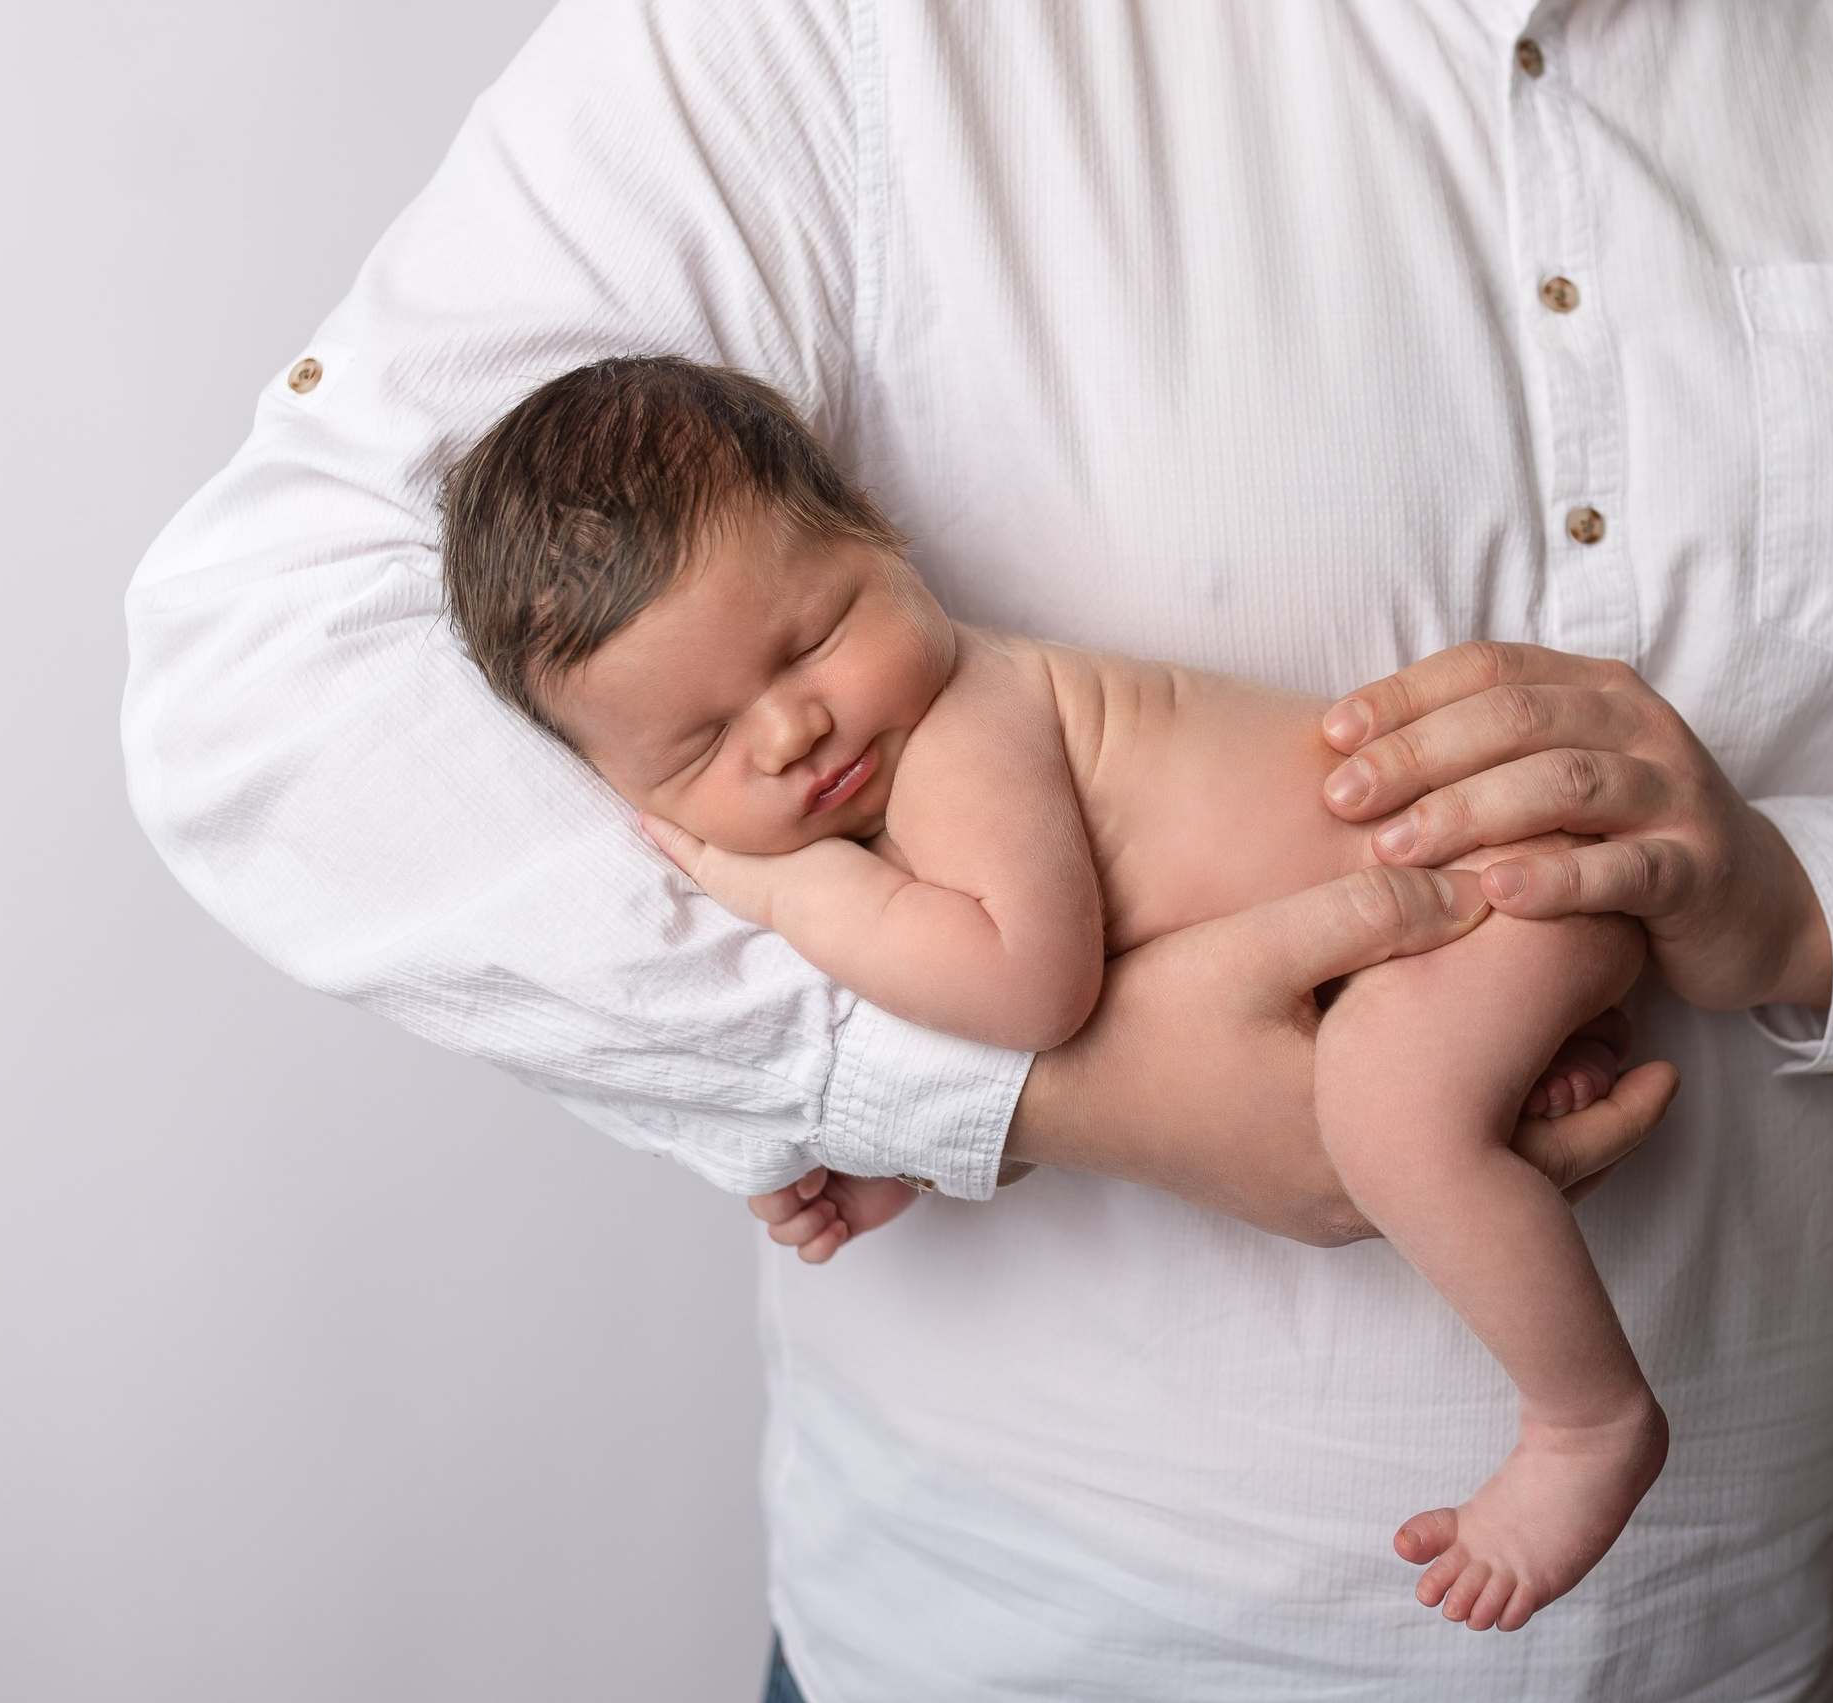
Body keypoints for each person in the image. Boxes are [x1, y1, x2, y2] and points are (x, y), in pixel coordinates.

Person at [121, 3, 1833, 1699]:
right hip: (1022, 1657)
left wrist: (1804, 898)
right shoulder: (830, 38)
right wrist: (991, 1095)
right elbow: (266, 676)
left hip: (1754, 1646)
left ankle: (1579, 1413)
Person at [441, 354, 1672, 1628]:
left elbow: (1031, 997)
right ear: (626, 792)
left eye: (810, 639)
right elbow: (1097, 1057)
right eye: (700, 745)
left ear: (877, 534)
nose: (789, 729)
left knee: (1383, 1110)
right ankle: (1524, 1065)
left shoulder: (962, 726)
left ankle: (1589, 1418)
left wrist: (795, 895)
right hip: (1444, 952)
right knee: (1399, 1077)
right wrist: (905, 1150)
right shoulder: (890, 795)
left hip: (1488, 893)